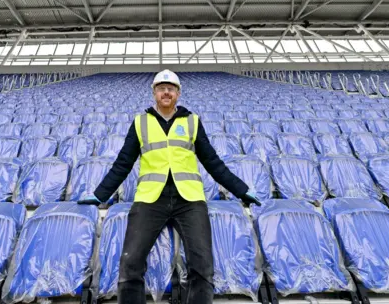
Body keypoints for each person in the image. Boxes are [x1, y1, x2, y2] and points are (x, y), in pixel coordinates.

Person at [77, 69, 261, 304]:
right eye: (161, 88)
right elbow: (123, 163)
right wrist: (99, 194)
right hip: (150, 199)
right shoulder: (140, 122)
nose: (166, 92)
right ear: (154, 92)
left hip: (190, 200)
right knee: (131, 262)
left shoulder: (192, 121)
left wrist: (242, 190)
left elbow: (213, 163)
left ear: (178, 93)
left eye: (171, 88)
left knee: (202, 264)